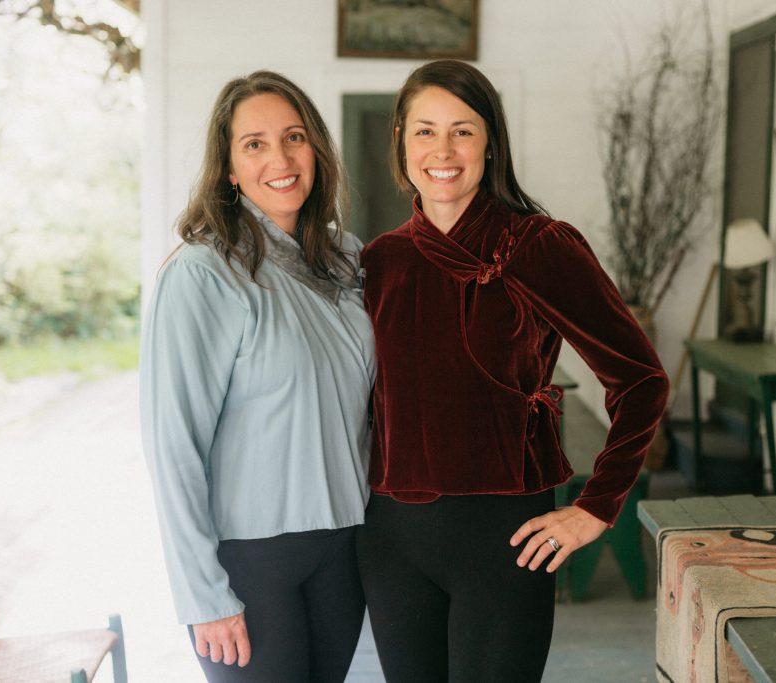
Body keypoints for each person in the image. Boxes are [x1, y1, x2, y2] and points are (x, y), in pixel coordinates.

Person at [356, 59, 670, 681]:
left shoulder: (539, 246)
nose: (442, 149)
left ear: (491, 141)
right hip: (391, 538)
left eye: (462, 130)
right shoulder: (378, 261)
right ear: (400, 139)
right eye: (424, 130)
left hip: (504, 538)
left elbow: (641, 381)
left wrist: (597, 506)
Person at [139, 71, 374, 682]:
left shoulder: (345, 261)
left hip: (344, 548)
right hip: (250, 562)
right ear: (228, 170)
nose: (281, 158)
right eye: (255, 144)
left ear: (317, 150)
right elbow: (174, 446)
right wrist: (203, 596)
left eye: (294, 137)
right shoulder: (203, 274)